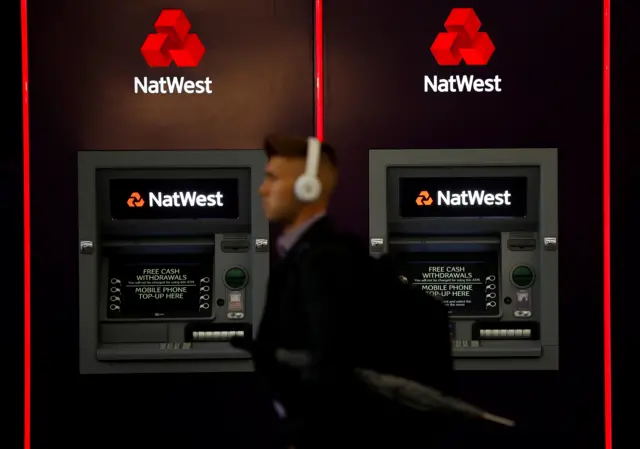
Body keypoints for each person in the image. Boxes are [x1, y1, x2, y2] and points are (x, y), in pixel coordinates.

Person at [235, 135, 445, 448]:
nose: (263, 189)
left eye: (273, 178)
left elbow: (333, 361)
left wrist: (305, 434)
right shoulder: (306, 254)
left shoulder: (325, 258)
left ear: (308, 188)